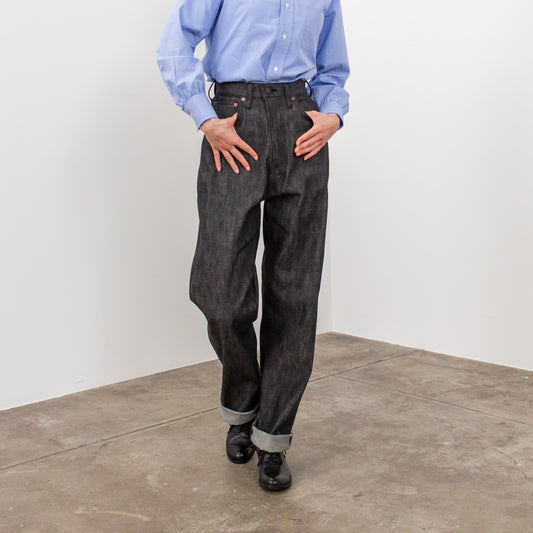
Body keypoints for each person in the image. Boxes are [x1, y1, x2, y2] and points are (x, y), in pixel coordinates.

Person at [156, 0, 350, 492]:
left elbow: (333, 65)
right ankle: (243, 403)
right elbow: (175, 44)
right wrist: (205, 118)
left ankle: (273, 436)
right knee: (220, 291)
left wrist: (333, 114)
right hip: (234, 124)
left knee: (295, 292)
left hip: (302, 126)